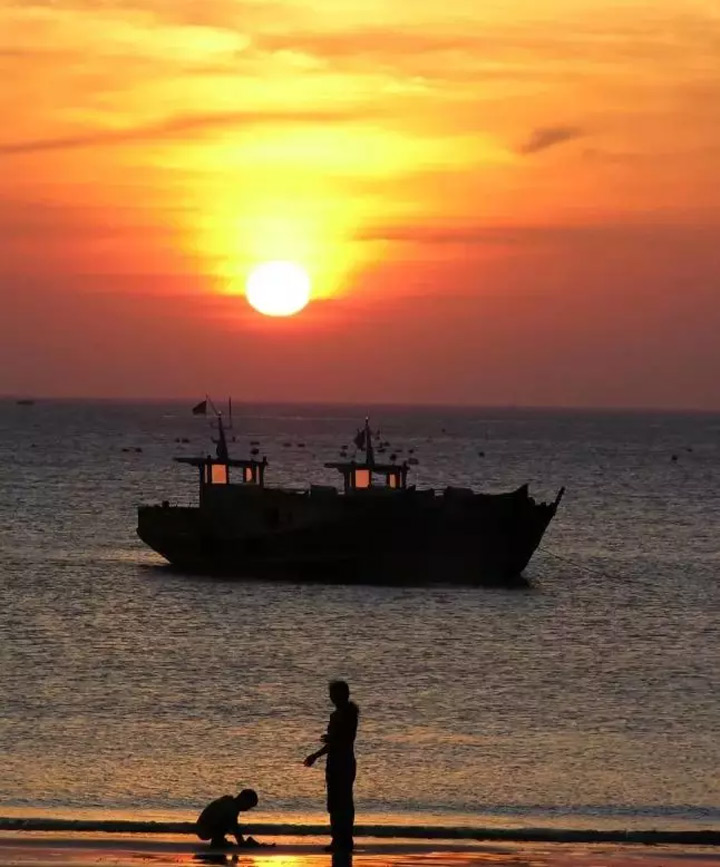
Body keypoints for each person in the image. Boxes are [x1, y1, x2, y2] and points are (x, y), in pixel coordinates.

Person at [304, 680, 359, 852]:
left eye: (335, 694)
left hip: (342, 763)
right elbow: (336, 742)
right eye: (332, 694)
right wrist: (317, 754)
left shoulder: (347, 715)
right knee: (338, 803)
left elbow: (345, 740)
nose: (333, 697)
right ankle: (341, 840)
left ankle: (342, 840)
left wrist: (329, 742)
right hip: (339, 762)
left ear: (344, 694)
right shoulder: (339, 715)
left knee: (341, 803)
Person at [195, 788, 261, 848]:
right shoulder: (231, 807)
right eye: (248, 805)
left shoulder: (229, 802)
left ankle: (219, 841)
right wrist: (241, 842)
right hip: (204, 829)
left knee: (227, 820)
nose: (247, 809)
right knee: (227, 821)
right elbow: (235, 828)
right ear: (243, 800)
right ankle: (217, 842)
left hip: (202, 827)